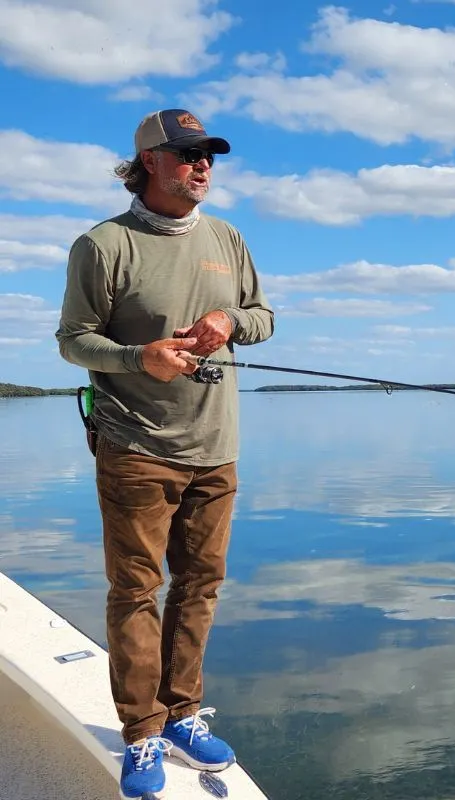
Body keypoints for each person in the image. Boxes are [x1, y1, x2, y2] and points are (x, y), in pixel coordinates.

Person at [55, 108, 275, 799]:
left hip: (217, 447)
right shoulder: (103, 245)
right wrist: (137, 358)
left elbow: (263, 318)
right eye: (187, 154)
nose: (202, 165)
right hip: (135, 447)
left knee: (201, 586)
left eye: (208, 154)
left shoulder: (227, 237)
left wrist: (229, 320)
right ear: (149, 161)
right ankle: (142, 732)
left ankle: (183, 714)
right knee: (135, 591)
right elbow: (73, 340)